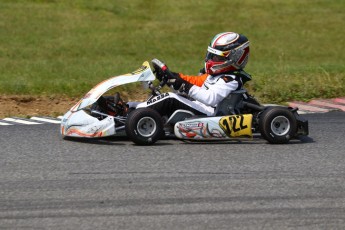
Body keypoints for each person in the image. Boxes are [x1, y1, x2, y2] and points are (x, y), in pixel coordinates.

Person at [134, 32, 252, 118]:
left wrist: (184, 85)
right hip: (198, 106)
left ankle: (134, 116)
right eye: (210, 55)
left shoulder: (231, 79)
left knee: (170, 98)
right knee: (161, 96)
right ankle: (129, 109)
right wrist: (171, 77)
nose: (210, 60)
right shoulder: (213, 75)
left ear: (235, 58)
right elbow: (194, 81)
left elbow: (210, 98)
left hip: (210, 114)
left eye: (216, 57)